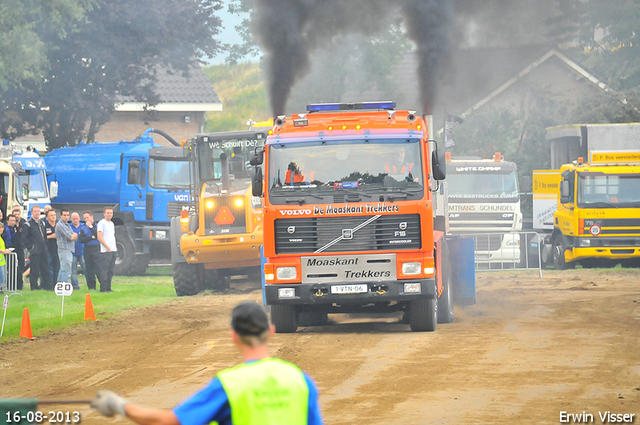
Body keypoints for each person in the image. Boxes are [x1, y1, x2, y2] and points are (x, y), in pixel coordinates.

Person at [91, 301, 323, 425]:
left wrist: (119, 405)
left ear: (234, 336)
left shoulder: (229, 385)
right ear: (271, 332)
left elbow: (169, 422)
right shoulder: (300, 380)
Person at [25, 205, 52, 290]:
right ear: (32, 212)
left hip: (43, 249)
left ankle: (47, 286)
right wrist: (31, 247)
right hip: (35, 250)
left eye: (38, 211)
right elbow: (25, 238)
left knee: (46, 268)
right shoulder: (28, 224)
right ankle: (34, 287)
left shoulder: (42, 223)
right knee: (34, 269)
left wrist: (46, 246)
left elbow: (44, 236)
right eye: (35, 211)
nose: (37, 213)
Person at [55, 209, 77, 287]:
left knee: (63, 269)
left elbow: (75, 235)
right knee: (66, 270)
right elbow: (71, 236)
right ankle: (65, 287)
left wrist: (73, 236)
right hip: (64, 249)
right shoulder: (60, 225)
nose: (66, 217)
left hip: (69, 249)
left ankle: (59, 286)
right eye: (64, 215)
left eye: (68, 215)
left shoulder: (67, 225)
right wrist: (72, 236)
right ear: (61, 216)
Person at [79, 211, 100, 290]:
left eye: (87, 218)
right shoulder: (83, 227)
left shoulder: (97, 225)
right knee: (89, 269)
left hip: (96, 248)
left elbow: (97, 235)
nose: (86, 220)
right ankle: (91, 287)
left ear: (92, 217)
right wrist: (91, 238)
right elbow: (81, 239)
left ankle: (103, 285)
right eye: (84, 218)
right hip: (88, 249)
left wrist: (91, 227)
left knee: (98, 268)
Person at [97, 207, 116, 292]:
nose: (109, 214)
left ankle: (109, 287)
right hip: (105, 251)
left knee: (111, 270)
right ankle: (103, 288)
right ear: (104, 214)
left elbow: (112, 236)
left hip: (113, 250)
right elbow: (99, 237)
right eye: (108, 213)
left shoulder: (112, 223)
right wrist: (107, 247)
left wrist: (114, 246)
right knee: (104, 269)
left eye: (111, 213)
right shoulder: (102, 223)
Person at [12, 205, 27, 290]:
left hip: (21, 249)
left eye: (18, 214)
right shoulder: (11, 224)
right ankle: (13, 284)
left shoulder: (24, 223)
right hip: (13, 248)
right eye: (15, 214)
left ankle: (20, 285)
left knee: (21, 266)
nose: (17, 216)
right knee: (13, 267)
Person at [70, 212, 86, 289]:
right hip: (73, 252)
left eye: (77, 219)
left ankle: (90, 284)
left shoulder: (83, 226)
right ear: (71, 219)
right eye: (74, 219)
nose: (75, 220)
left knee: (86, 268)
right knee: (73, 270)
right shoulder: (69, 227)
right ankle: (75, 285)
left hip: (83, 251)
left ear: (79, 218)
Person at [44, 209, 60, 287]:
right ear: (47, 217)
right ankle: (48, 285)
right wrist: (51, 236)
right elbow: (42, 238)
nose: (53, 217)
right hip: (48, 250)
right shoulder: (45, 226)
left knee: (57, 269)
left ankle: (56, 285)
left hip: (58, 250)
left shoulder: (59, 225)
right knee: (49, 269)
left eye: (54, 215)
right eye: (51, 215)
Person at [0, 222, 14, 292]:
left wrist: (6, 250)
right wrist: (4, 251)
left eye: (2, 227)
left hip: (1, 261)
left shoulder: (1, 238)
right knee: (2, 277)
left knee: (2, 278)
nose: (1, 229)